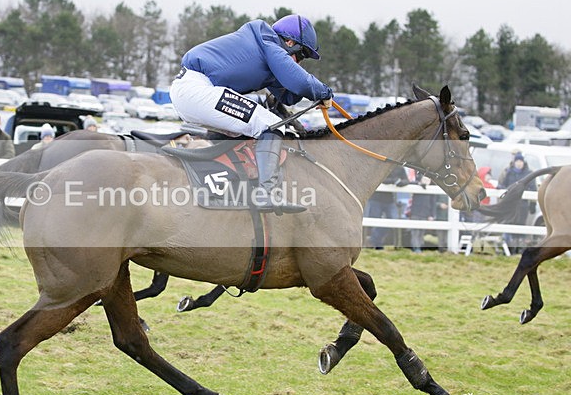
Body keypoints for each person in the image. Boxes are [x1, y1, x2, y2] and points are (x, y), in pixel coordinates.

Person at [170, 14, 333, 212]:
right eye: (301, 55)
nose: (298, 63)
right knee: (272, 125)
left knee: (252, 127)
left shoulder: (267, 51)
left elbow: (289, 96)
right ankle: (266, 194)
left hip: (193, 91)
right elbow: (299, 81)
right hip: (197, 89)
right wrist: (324, 92)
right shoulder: (268, 40)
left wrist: (311, 93)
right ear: (289, 42)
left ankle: (233, 185)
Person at [365, 166, 410, 249]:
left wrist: (400, 183)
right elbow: (378, 179)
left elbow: (406, 181)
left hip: (389, 200)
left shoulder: (399, 168)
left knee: (392, 220)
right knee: (375, 220)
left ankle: (374, 240)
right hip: (376, 198)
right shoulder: (380, 166)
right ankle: (376, 243)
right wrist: (393, 181)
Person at [499, 153, 536, 250]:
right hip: (511, 205)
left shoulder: (528, 173)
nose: (519, 163)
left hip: (523, 205)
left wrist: (533, 204)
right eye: (517, 161)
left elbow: (533, 188)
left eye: (521, 161)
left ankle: (519, 247)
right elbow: (503, 185)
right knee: (510, 224)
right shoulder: (509, 172)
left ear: (523, 162)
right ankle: (509, 247)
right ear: (514, 162)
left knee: (521, 225)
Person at [407, 175, 437, 253]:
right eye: (424, 179)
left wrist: (432, 215)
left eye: (428, 180)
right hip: (415, 213)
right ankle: (416, 248)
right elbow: (410, 183)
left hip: (425, 214)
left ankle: (420, 247)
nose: (426, 181)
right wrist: (419, 183)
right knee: (415, 232)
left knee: (421, 232)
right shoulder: (416, 187)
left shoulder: (432, 190)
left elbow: (433, 203)